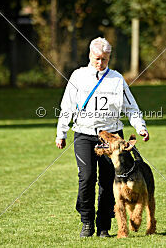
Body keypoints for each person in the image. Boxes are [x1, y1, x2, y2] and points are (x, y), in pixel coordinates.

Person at [55, 37, 149, 238]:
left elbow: (131, 107)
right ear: (90, 55)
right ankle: (87, 222)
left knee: (108, 183)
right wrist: (61, 132)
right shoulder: (78, 76)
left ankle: (104, 226)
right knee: (87, 177)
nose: (100, 63)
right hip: (84, 135)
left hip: (112, 137)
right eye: (97, 58)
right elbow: (67, 107)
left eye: (104, 59)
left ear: (109, 58)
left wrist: (140, 127)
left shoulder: (117, 79)